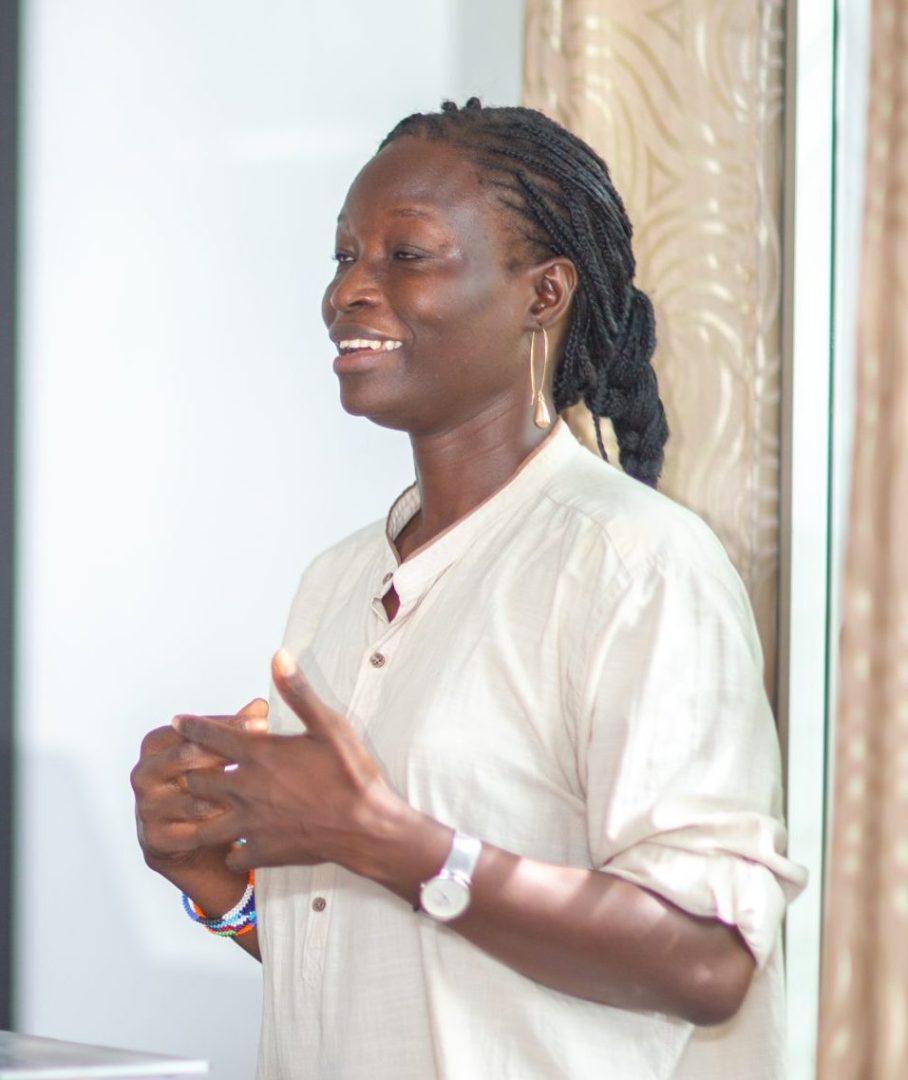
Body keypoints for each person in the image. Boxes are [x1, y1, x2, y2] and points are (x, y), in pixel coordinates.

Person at [131, 99, 807, 1079]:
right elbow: (397, 972)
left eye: (405, 255)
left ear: (543, 294)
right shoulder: (337, 582)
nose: (348, 290)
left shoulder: (637, 565)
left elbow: (708, 960)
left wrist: (389, 841)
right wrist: (223, 891)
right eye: (343, 256)